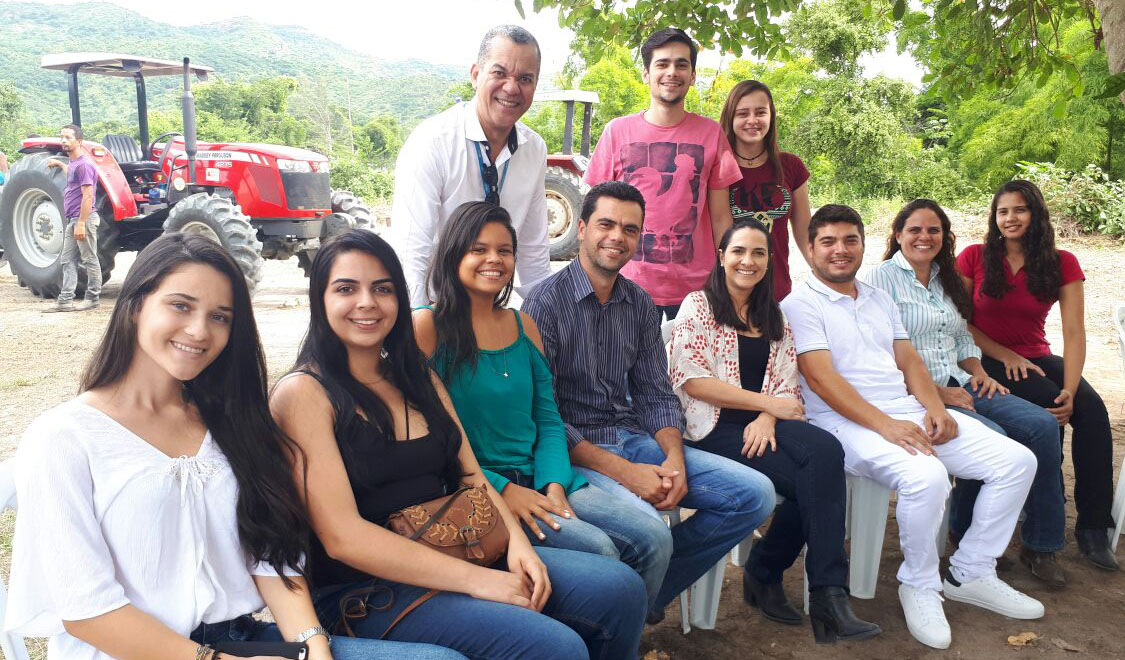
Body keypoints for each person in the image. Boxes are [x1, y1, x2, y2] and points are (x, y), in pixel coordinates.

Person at [6, 233, 464, 660]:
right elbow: (87, 612)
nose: (200, 331)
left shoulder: (232, 423)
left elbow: (270, 557)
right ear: (134, 306)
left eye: (220, 317)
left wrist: (312, 645)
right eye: (181, 306)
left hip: (242, 639)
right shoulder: (65, 438)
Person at [269, 229, 647, 659]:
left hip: (459, 546)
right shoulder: (304, 394)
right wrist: (478, 581)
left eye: (382, 288)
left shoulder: (417, 376)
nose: (367, 303)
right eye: (346, 289)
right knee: (553, 646)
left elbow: (471, 475)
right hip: (369, 589)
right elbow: (343, 537)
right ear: (320, 300)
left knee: (620, 589)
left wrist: (518, 547)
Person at [780, 204, 1043, 650]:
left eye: (850, 240)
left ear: (863, 244)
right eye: (828, 241)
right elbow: (823, 381)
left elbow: (909, 359)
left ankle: (971, 571)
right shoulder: (799, 304)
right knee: (926, 475)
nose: (840, 250)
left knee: (1017, 461)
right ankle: (919, 584)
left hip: (904, 409)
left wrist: (934, 407)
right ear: (809, 248)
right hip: (843, 423)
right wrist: (887, 426)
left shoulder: (877, 296)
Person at [522, 181, 775, 624]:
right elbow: (547, 419)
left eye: (629, 228)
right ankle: (634, 602)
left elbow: (656, 392)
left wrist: (674, 457)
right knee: (651, 532)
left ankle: (643, 597)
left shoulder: (639, 303)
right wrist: (627, 473)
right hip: (576, 455)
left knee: (754, 495)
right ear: (580, 228)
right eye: (605, 224)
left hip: (637, 438)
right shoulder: (544, 304)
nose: (616, 237)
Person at [412, 201, 673, 610]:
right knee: (600, 551)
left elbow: (547, 418)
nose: (493, 260)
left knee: (654, 537)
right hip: (481, 488)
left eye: (504, 251)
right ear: (453, 254)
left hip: (546, 476)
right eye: (479, 249)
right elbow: (430, 438)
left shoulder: (521, 324)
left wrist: (553, 481)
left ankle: (622, 629)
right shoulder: (428, 327)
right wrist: (505, 490)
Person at [668, 218, 880, 643]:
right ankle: (769, 572)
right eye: (740, 252)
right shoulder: (699, 305)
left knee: (824, 453)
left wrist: (768, 416)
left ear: (769, 261)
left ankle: (826, 592)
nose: (748, 261)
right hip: (710, 429)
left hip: (762, 428)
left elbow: (786, 384)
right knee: (816, 476)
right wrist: (767, 406)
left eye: (759, 253)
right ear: (723, 257)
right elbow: (691, 380)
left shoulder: (774, 315)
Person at [864, 199, 1068, 588]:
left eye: (934, 230)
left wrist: (977, 372)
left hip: (963, 381)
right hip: (919, 393)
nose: (925, 237)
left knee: (1042, 424)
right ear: (898, 235)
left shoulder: (947, 278)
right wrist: (938, 392)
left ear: (945, 236)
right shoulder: (879, 280)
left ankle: (1041, 544)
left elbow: (961, 337)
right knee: (996, 438)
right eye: (915, 230)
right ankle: (964, 534)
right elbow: (878, 353)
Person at [957, 180, 1118, 572]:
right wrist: (1004, 353)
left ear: (1036, 214)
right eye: (1003, 211)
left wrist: (1071, 388)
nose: (1010, 218)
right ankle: (1042, 524)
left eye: (1020, 210)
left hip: (1038, 356)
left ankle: (1094, 527)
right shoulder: (975, 257)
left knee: (1092, 412)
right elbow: (958, 323)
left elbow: (1075, 332)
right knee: (1047, 407)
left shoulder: (1062, 262)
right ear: (994, 218)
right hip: (985, 358)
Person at [583, 28, 741, 320]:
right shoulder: (617, 132)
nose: (672, 72)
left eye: (682, 64)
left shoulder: (711, 134)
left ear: (693, 76)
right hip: (626, 284)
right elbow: (594, 217)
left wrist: (729, 277)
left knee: (693, 367)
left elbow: (721, 217)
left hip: (698, 290)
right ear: (646, 73)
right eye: (662, 63)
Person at [391, 25, 551, 306]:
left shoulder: (534, 150)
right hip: (435, 308)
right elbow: (411, 251)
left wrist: (547, 320)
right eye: (499, 73)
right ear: (476, 75)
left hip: (491, 307)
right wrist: (418, 322)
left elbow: (533, 249)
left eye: (525, 78)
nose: (511, 88)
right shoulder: (433, 140)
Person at [718, 80, 812, 301]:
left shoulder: (791, 165)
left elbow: (805, 231)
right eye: (742, 114)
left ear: (771, 116)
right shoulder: (717, 167)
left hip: (777, 290)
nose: (752, 120)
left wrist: (825, 275)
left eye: (760, 112)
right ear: (730, 118)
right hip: (731, 293)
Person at [44, 124, 101, 312]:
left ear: (79, 141)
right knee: (67, 260)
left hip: (83, 220)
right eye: (62, 137)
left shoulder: (84, 164)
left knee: (89, 259)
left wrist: (82, 223)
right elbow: (73, 177)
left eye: (68, 137)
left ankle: (92, 298)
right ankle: (65, 301)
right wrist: (61, 165)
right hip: (73, 221)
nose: (63, 141)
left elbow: (88, 196)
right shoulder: (74, 163)